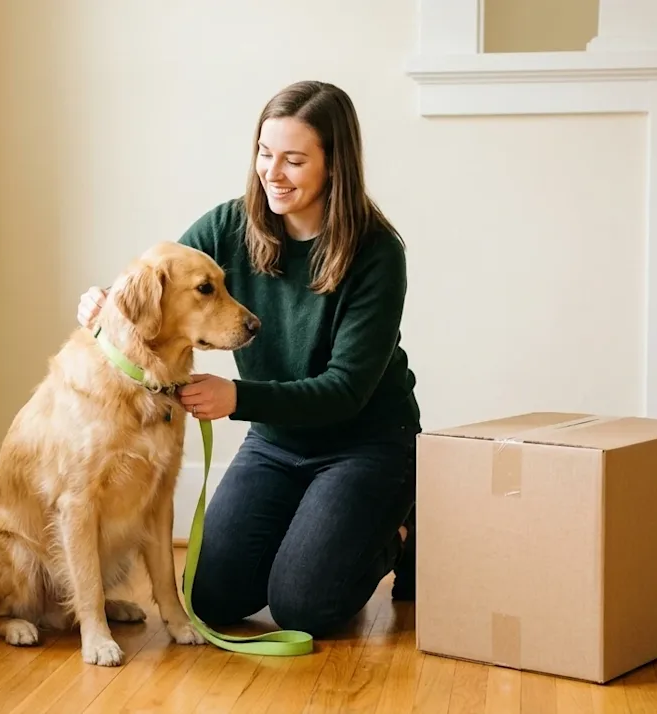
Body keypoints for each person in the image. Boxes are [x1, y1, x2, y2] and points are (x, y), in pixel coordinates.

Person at [76, 80, 419, 637]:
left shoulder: (377, 251)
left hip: (366, 442)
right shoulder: (230, 226)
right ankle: (318, 527)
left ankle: (399, 530)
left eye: (294, 160)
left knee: (304, 607)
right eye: (264, 153)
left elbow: (347, 389)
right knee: (211, 597)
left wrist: (236, 398)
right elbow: (156, 283)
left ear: (335, 166)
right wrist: (105, 303)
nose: (272, 172)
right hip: (279, 441)